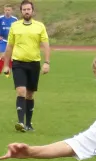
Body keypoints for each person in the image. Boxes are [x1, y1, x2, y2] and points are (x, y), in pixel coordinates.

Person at [2, 0, 50, 132]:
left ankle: (28, 124)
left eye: (29, 9)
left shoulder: (39, 26)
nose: (27, 11)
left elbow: (45, 45)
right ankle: (20, 123)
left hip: (34, 63)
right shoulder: (15, 26)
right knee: (21, 91)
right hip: (18, 63)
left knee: (29, 94)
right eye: (24, 9)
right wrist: (6, 65)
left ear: (32, 11)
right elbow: (10, 46)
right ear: (21, 11)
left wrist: (46, 62)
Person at [0, 4, 17, 74]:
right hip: (3, 40)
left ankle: (10, 70)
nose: (7, 11)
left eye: (9, 10)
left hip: (12, 40)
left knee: (13, 56)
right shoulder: (0, 18)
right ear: (4, 10)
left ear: (11, 11)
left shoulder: (15, 19)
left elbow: (17, 30)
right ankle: (3, 69)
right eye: (6, 10)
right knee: (2, 55)